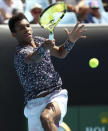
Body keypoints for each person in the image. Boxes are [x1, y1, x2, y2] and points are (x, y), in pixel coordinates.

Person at [8, 13, 87, 131]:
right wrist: (44, 47)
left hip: (55, 95)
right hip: (34, 103)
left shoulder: (39, 40)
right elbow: (34, 58)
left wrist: (70, 41)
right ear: (14, 34)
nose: (26, 29)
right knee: (44, 119)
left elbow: (60, 53)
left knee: (46, 117)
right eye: (21, 28)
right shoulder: (20, 53)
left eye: (28, 26)